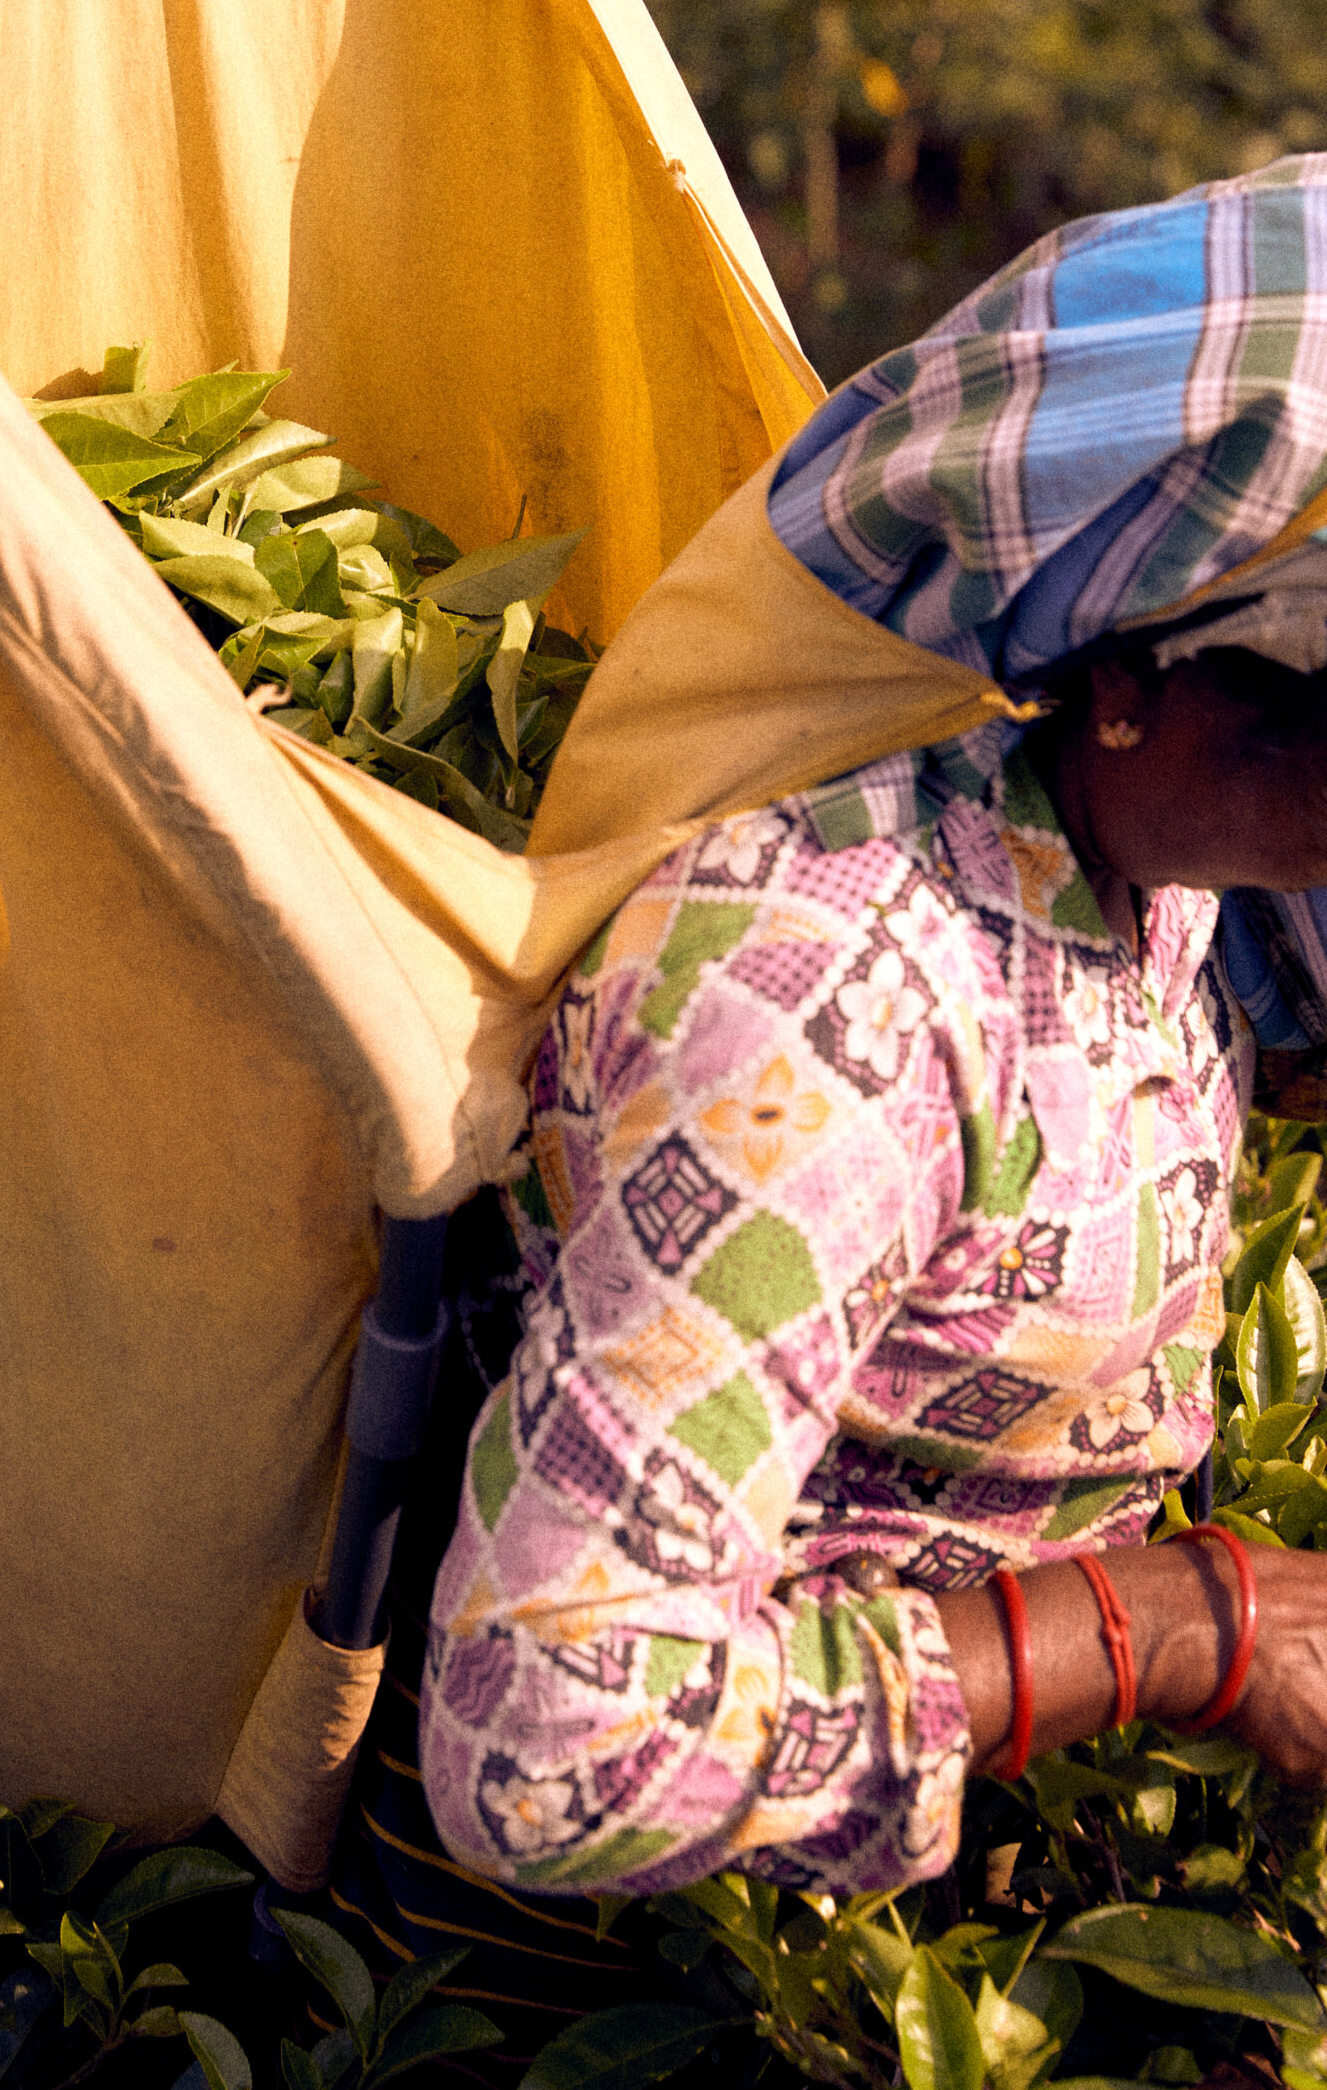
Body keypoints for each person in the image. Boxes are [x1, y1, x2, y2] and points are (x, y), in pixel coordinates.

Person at [409, 151, 1327, 1901]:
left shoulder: (1181, 897)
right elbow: (551, 1744)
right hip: (632, 1965)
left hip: (942, 1887)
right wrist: (1173, 1626)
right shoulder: (834, 1001)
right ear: (1127, 676)